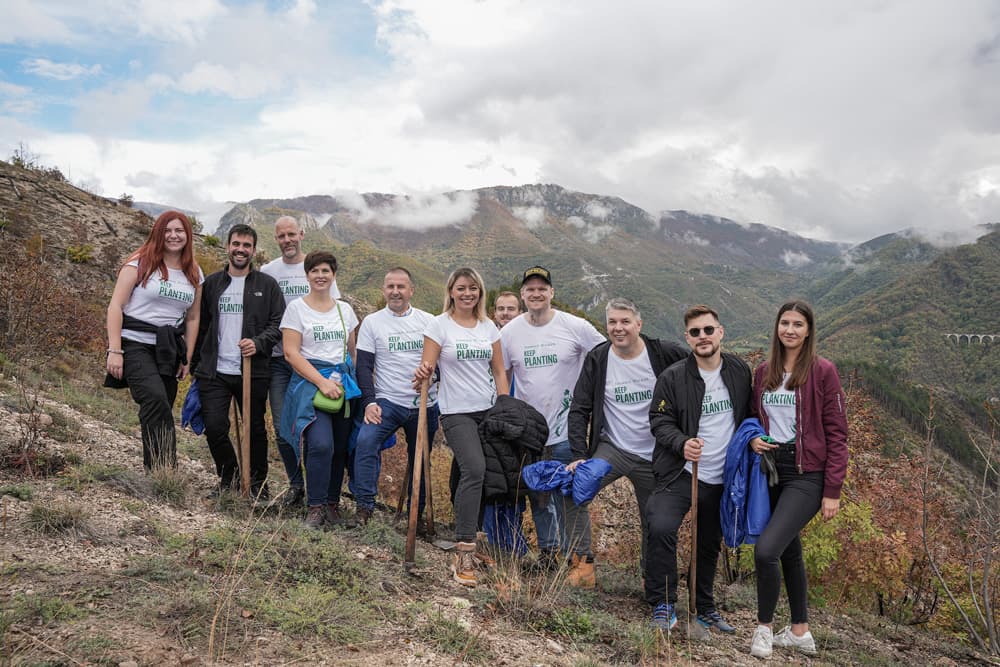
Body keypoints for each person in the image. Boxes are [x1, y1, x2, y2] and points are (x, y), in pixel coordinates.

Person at [748, 300, 848, 659]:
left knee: (766, 550)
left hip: (808, 474)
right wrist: (754, 439)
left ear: (808, 331)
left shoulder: (823, 372)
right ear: (777, 327)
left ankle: (763, 629)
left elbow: (838, 434)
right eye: (785, 323)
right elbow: (754, 421)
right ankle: (800, 632)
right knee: (789, 549)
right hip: (771, 470)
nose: (790, 329)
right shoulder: (763, 372)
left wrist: (832, 490)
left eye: (797, 324)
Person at [563, 298, 686, 587]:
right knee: (573, 491)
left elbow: (700, 369)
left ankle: (651, 577)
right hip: (613, 448)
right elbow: (579, 407)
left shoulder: (663, 353)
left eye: (625, 322)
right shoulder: (599, 358)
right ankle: (583, 566)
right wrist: (579, 455)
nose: (618, 328)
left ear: (638, 324)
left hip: (655, 453)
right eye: (613, 322)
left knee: (654, 519)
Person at [645, 305, 751, 632]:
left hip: (722, 476)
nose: (702, 337)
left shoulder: (738, 371)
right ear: (687, 338)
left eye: (708, 330)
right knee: (661, 527)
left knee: (707, 542)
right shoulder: (673, 377)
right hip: (682, 472)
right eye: (695, 332)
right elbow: (659, 421)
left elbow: (749, 414)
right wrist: (682, 443)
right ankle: (663, 603)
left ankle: (704, 606)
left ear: (720, 332)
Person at [501, 266, 605, 565]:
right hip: (529, 430)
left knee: (569, 494)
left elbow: (605, 356)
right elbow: (502, 374)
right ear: (523, 294)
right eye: (530, 289)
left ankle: (577, 557)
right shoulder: (510, 332)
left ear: (551, 293)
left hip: (566, 427)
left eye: (542, 288)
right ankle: (548, 552)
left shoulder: (575, 326)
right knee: (538, 492)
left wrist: (592, 397)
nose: (536, 293)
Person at [413, 267, 509, 587]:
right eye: (461, 288)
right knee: (476, 470)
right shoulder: (438, 325)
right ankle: (464, 550)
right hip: (456, 412)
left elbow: (498, 371)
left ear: (480, 293)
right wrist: (422, 373)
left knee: (479, 474)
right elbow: (427, 369)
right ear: (451, 291)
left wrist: (505, 406)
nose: (467, 294)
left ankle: (475, 538)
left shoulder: (488, 327)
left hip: (488, 410)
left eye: (473, 289)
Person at [190, 224, 284, 499]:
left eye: (246, 245)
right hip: (215, 370)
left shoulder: (267, 285)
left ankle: (257, 485)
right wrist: (195, 363)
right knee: (215, 426)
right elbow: (201, 324)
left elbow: (278, 323)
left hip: (252, 371)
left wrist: (258, 342)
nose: (241, 249)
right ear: (228, 246)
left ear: (254, 250)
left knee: (254, 429)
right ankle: (228, 477)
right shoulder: (212, 284)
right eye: (236, 244)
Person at [105, 210, 203, 470]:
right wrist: (114, 350)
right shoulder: (139, 263)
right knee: (155, 399)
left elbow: (193, 318)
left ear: (187, 235)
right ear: (158, 233)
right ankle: (165, 471)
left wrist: (187, 358)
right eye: (167, 230)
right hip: (135, 343)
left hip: (169, 348)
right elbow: (116, 306)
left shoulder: (194, 272)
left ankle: (156, 470)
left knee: (162, 406)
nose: (173, 236)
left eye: (179, 231)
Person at [261, 216, 342, 506]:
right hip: (281, 361)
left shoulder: (319, 269)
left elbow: (334, 313)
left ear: (301, 234)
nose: (287, 240)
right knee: (286, 426)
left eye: (291, 234)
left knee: (315, 429)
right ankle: (297, 485)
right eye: (281, 236)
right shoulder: (269, 270)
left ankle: (318, 490)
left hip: (316, 363)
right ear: (276, 238)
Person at [278, 250, 359, 529]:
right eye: (315, 271)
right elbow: (291, 352)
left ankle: (332, 504)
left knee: (340, 447)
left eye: (326, 271)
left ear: (333, 275)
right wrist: (321, 382)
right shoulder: (297, 309)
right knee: (321, 443)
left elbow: (352, 351)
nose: (320, 276)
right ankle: (315, 507)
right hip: (310, 384)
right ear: (307, 275)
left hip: (343, 384)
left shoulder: (344, 310)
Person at [353, 268, 439, 526]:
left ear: (411, 290)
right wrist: (369, 402)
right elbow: (364, 367)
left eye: (401, 286)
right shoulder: (372, 322)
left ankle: (416, 516)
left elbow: (442, 364)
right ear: (383, 290)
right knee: (366, 442)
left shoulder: (429, 321)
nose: (395, 291)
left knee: (421, 459)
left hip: (425, 402)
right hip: (388, 402)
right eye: (390, 286)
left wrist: (432, 377)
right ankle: (364, 508)